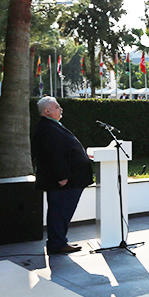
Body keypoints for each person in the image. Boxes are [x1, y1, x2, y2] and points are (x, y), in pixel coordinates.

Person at [31, 97, 94, 254]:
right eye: (57, 107)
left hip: (68, 180)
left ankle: (58, 242)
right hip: (64, 182)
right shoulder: (47, 128)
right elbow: (55, 154)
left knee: (61, 212)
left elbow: (63, 150)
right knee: (60, 212)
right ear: (47, 111)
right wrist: (62, 176)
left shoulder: (51, 126)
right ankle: (57, 243)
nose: (61, 109)